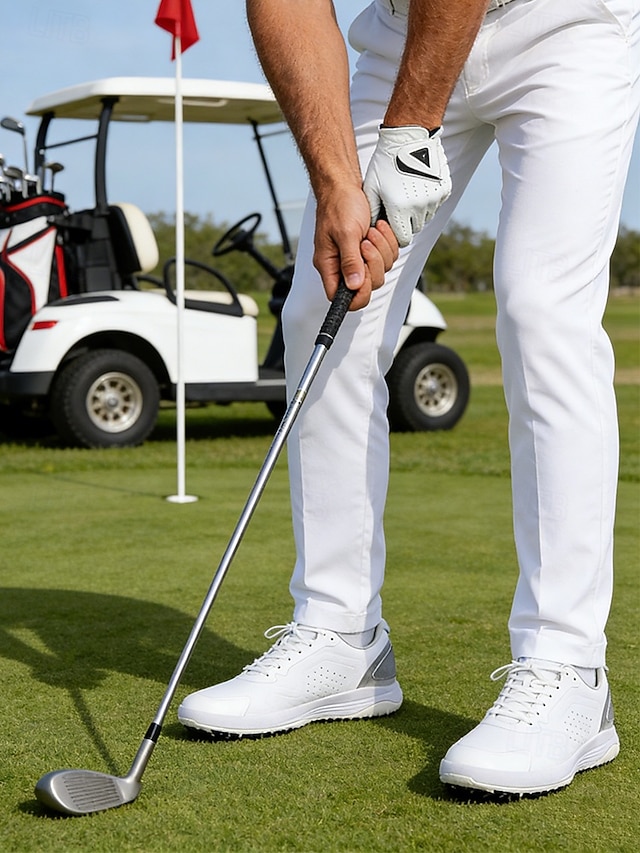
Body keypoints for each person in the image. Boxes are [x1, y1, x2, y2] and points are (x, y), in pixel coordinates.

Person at [178, 0, 640, 797]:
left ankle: (568, 668)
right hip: (400, 33)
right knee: (320, 306)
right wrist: (336, 180)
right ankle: (340, 635)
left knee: (540, 307)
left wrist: (409, 135)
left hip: (562, 21)